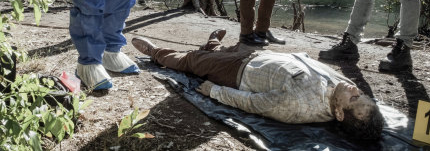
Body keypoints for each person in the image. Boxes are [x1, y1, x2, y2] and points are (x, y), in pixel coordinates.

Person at [131, 31, 385, 140]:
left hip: (237, 72)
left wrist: (214, 91)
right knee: (226, 50)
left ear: (339, 113)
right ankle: (213, 46)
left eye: (355, 98)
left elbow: (253, 104)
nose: (354, 89)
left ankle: (156, 52)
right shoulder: (344, 90)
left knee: (190, 60)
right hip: (257, 57)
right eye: (361, 93)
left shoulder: (297, 106)